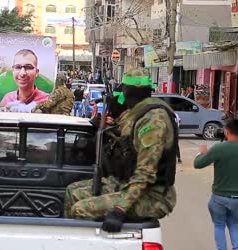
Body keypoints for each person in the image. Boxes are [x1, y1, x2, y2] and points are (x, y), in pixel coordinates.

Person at [64, 68, 177, 233]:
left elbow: (145, 173)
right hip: (127, 185)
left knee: (80, 209)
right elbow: (122, 140)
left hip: (153, 196)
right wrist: (101, 125)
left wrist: (120, 209)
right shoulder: (137, 114)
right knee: (72, 192)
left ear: (127, 91)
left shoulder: (154, 120)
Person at [193, 119, 238, 250]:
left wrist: (201, 153)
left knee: (219, 226)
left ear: (226, 131)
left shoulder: (220, 148)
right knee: (234, 224)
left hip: (220, 197)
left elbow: (198, 164)